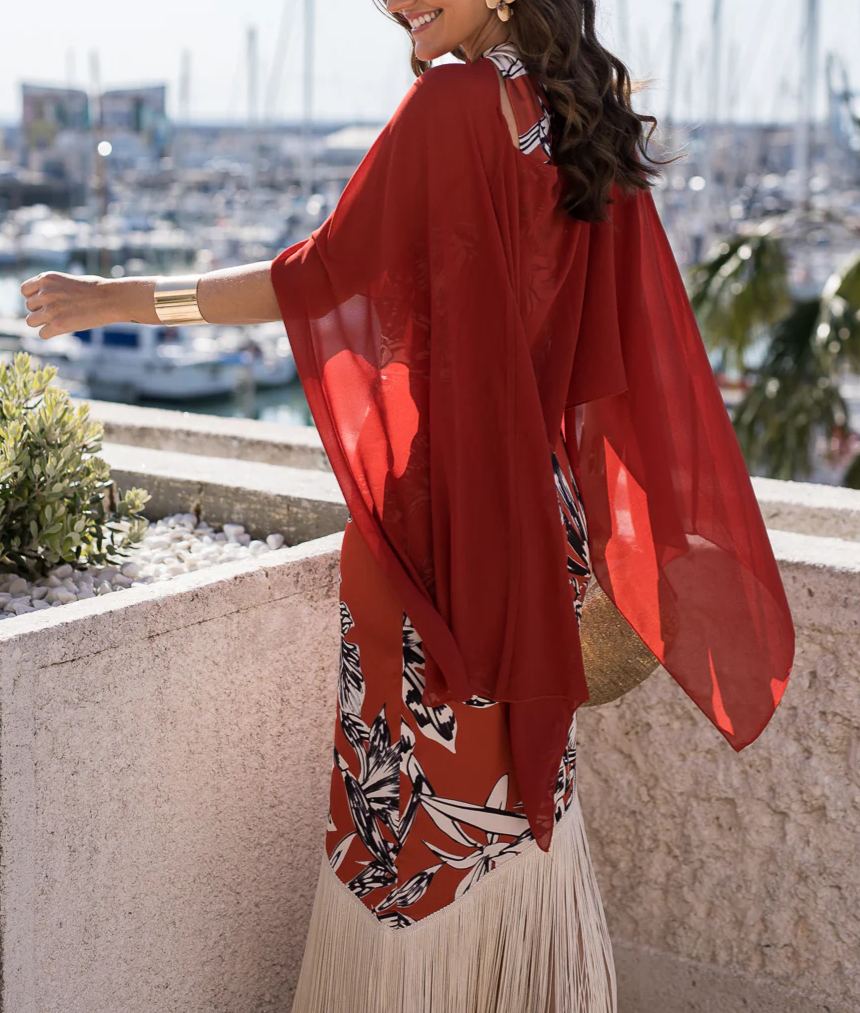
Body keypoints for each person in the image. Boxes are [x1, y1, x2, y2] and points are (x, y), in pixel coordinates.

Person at [19, 1, 796, 1010]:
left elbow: (317, 274)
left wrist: (114, 300)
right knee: (507, 825)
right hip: (543, 532)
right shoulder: (573, 113)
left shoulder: (456, 102)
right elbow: (607, 358)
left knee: (406, 851)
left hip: (436, 536)